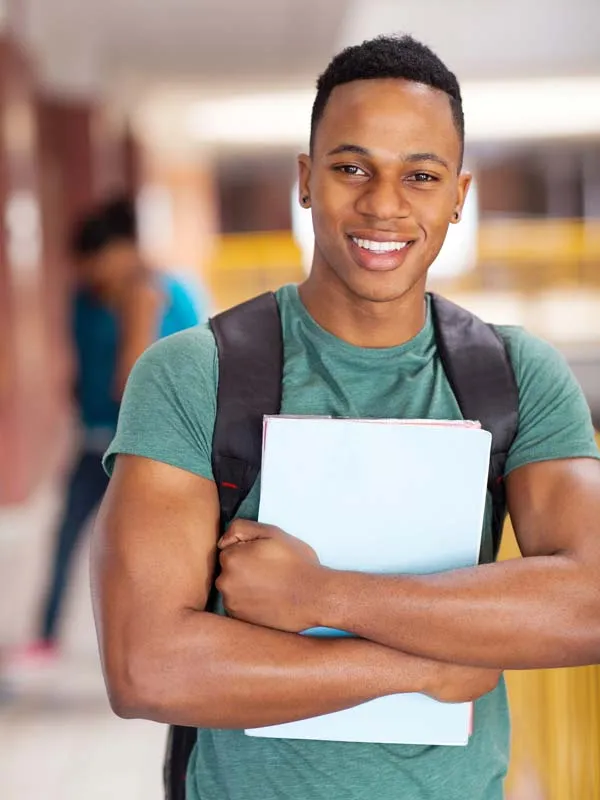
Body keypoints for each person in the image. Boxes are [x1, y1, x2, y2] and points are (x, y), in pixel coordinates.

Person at [91, 36, 600, 800]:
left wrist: (326, 596)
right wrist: (423, 666)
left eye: (420, 176)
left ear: (458, 195)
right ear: (305, 179)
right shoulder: (199, 373)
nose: (383, 204)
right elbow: (146, 665)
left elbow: (590, 601)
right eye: (352, 167)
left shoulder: (514, 375)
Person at [19, 197, 203, 664]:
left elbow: (132, 383)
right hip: (95, 439)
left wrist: (138, 316)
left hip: (150, 450)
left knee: (148, 550)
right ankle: (45, 637)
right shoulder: (84, 300)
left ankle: (169, 640)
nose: (88, 272)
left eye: (93, 261)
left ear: (121, 252)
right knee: (66, 536)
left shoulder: (165, 296)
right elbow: (83, 370)